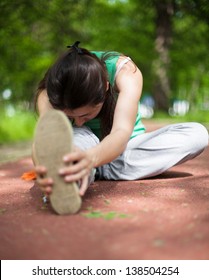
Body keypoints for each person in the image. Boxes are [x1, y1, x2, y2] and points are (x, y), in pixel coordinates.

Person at [33, 41, 209, 215]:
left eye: (86, 115)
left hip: (126, 146)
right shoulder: (50, 92)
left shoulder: (126, 73)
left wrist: (92, 158)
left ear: (106, 88)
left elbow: (121, 132)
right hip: (80, 146)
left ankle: (87, 169)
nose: (79, 122)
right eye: (71, 117)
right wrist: (43, 169)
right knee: (75, 141)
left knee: (197, 134)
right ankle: (73, 173)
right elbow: (43, 143)